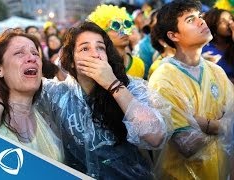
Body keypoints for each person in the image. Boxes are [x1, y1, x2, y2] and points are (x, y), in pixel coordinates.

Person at [0, 23, 171, 179]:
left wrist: (113, 85)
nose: (95, 54)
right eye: (84, 49)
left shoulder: (130, 87)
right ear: (70, 59)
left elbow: (155, 136)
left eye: (100, 48)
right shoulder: (57, 94)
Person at [148, 0, 234, 179]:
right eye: (190, 19)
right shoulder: (163, 78)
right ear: (173, 35)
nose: (201, 22)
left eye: (200, 16)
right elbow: (187, 144)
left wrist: (203, 123)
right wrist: (222, 125)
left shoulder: (216, 71)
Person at [0, 30, 63, 162]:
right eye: (19, 53)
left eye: (35, 53)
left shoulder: (49, 113)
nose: (32, 58)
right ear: (0, 69)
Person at [88, 4, 145, 79]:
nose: (123, 31)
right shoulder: (100, 68)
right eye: (116, 26)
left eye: (126, 24)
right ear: (102, 33)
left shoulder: (138, 64)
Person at [202, 8, 234, 83]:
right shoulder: (207, 51)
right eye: (223, 21)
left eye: (231, 18)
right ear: (214, 28)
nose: (230, 23)